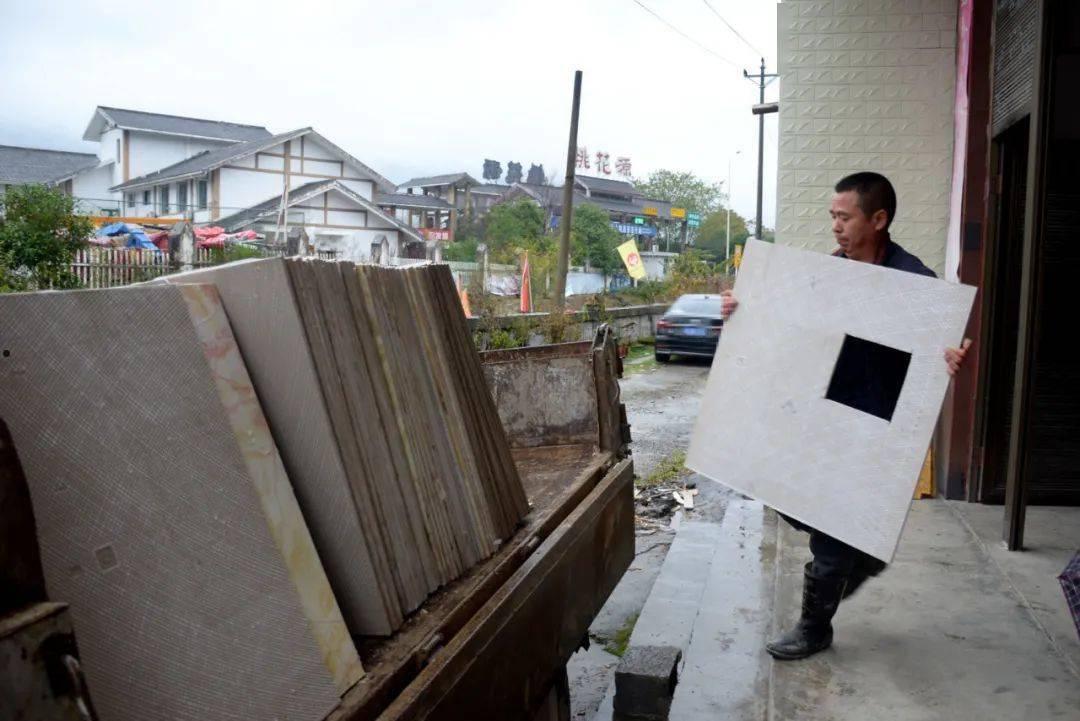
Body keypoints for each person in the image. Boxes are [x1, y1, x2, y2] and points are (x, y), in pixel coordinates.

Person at [721, 171, 971, 660]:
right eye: (832, 216)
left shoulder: (914, 282)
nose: (835, 226)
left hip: (874, 420)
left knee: (830, 533)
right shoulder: (829, 273)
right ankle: (863, 558)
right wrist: (741, 309)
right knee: (786, 494)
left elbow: (938, 348)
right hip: (821, 412)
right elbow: (787, 326)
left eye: (844, 216)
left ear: (878, 219)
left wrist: (950, 358)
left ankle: (815, 626)